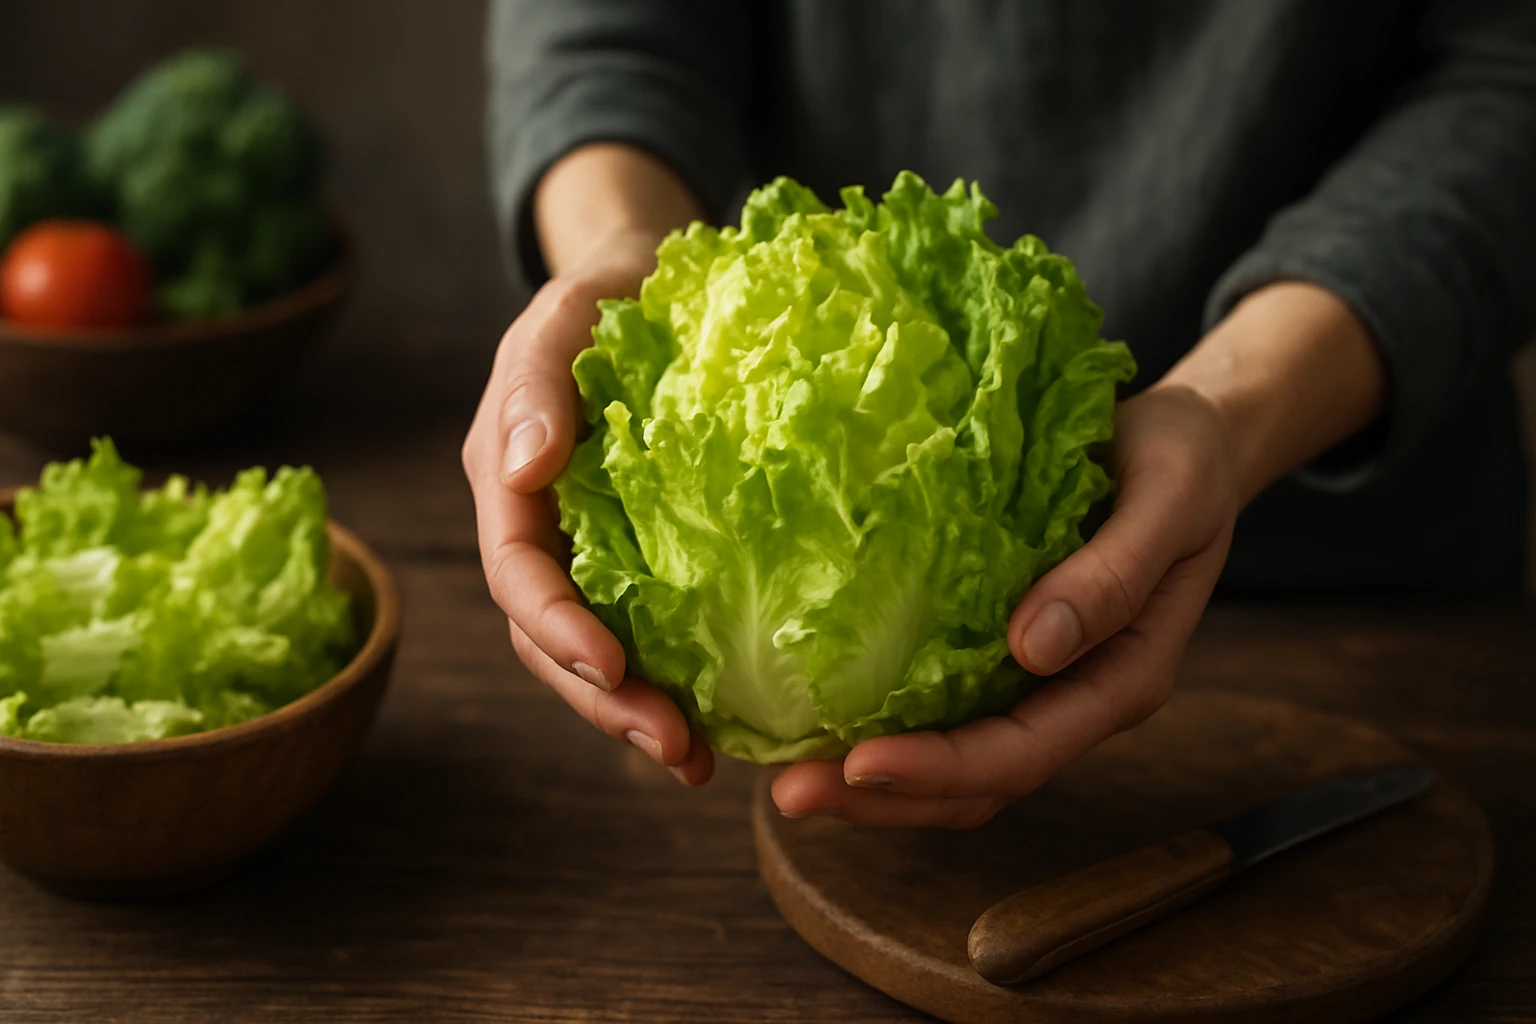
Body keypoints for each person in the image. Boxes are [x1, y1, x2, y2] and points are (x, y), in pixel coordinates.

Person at [463, 1, 1536, 828]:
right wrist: (622, 264)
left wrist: (1237, 406)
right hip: (961, 643)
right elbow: (600, 28)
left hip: (1386, 614)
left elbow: (1511, 68)